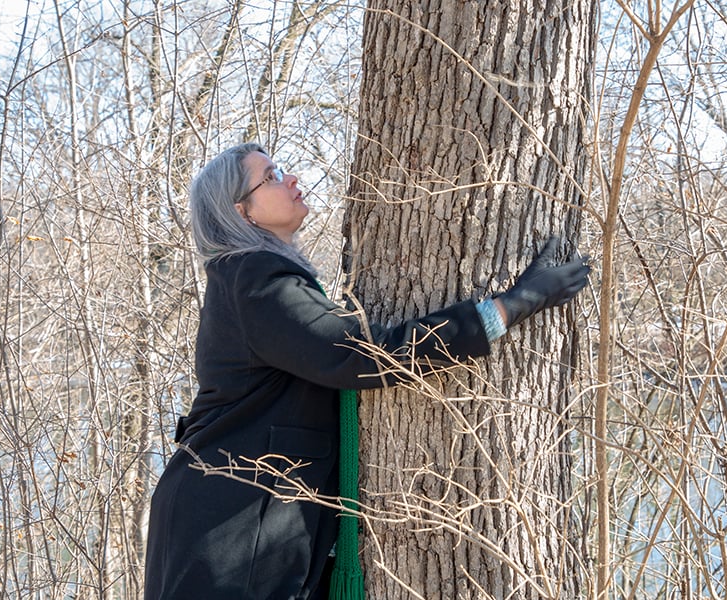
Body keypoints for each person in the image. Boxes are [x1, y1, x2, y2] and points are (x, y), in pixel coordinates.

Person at [143, 143, 591, 600]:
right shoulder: (255, 278)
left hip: (238, 521)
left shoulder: (252, 277)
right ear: (244, 212)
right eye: (272, 175)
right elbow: (363, 354)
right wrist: (511, 307)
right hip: (231, 530)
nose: (292, 177)